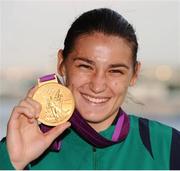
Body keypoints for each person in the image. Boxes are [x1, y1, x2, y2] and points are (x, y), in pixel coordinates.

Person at [0, 8, 180, 170]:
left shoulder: (169, 146)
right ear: (61, 63)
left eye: (115, 71)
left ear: (134, 74)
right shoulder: (18, 147)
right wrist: (12, 163)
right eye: (85, 67)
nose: (97, 85)